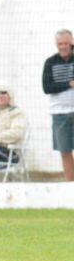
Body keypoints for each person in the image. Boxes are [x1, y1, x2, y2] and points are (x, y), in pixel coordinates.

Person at [42, 28, 74, 181]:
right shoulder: (50, 62)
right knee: (65, 150)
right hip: (59, 113)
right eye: (60, 44)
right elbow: (47, 87)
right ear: (56, 44)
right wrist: (69, 83)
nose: (63, 47)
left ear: (72, 42)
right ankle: (70, 184)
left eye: (66, 43)